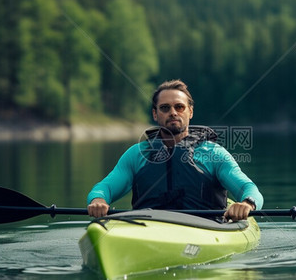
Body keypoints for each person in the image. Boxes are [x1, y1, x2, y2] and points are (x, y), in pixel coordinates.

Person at [87, 79, 263, 222]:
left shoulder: (214, 154)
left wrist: (247, 204)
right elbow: (105, 188)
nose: (173, 112)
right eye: (165, 108)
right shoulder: (136, 154)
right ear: (155, 114)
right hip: (147, 229)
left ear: (190, 112)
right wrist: (98, 200)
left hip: (206, 229)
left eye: (179, 107)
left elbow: (249, 188)